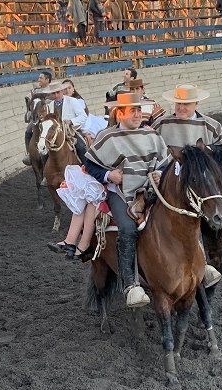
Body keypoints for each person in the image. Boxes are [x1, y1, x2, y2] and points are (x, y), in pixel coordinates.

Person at [84, 92, 170, 308]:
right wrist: (108, 176)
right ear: (119, 113)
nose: (138, 114)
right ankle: (131, 284)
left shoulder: (152, 135)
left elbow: (165, 161)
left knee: (178, 215)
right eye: (133, 110)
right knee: (127, 228)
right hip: (121, 193)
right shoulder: (107, 137)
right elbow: (91, 164)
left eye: (140, 110)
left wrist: (160, 172)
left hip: (151, 191)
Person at [152, 83, 222, 276]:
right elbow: (152, 151)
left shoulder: (210, 126)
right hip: (171, 178)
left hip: (202, 181)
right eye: (178, 104)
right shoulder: (161, 124)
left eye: (186, 104)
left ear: (196, 103)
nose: (181, 108)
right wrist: (158, 170)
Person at [41, 81, 88, 161]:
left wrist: (71, 121)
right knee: (43, 152)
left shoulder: (72, 101)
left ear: (62, 91)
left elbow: (83, 116)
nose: (56, 96)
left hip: (71, 132)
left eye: (58, 92)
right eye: (53, 93)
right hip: (56, 134)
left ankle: (87, 167)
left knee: (80, 147)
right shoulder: (50, 105)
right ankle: (43, 171)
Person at [22, 71, 52, 166]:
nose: (39, 80)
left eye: (41, 78)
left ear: (47, 80)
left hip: (49, 119)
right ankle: (29, 153)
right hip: (37, 119)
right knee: (28, 131)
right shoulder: (36, 91)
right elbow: (29, 100)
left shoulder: (52, 91)